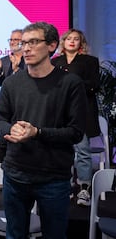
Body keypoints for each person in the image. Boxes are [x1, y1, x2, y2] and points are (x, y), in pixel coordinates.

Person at [0, 22, 87, 239]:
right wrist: (9, 130)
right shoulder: (11, 83)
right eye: (23, 43)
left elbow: (75, 132)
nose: (25, 48)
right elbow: (1, 120)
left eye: (33, 42)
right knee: (14, 235)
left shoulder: (70, 83)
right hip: (15, 174)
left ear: (52, 45)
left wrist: (37, 132)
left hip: (54, 177)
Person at [52, 28, 100, 206]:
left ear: (81, 43)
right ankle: (64, 187)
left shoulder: (90, 61)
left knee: (83, 152)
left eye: (76, 39)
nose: (72, 41)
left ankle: (84, 189)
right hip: (61, 113)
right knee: (62, 152)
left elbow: (95, 85)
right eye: (69, 38)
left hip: (82, 112)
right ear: (63, 42)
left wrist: (72, 83)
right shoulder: (56, 62)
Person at [0, 29, 25, 110]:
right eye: (10, 40)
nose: (12, 42)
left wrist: (17, 69)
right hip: (5, 105)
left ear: (23, 42)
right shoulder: (4, 61)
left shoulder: (29, 60)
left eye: (16, 39)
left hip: (23, 104)